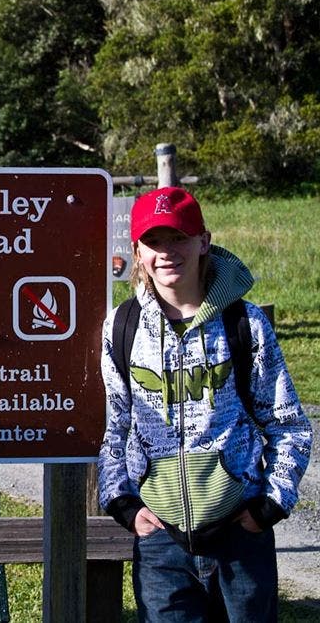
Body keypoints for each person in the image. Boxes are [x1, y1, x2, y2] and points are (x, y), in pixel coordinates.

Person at [97, 186, 312, 622]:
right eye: (153, 242)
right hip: (161, 543)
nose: (167, 252)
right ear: (137, 252)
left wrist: (269, 504)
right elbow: (114, 426)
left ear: (204, 241)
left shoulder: (243, 323)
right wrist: (122, 502)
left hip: (241, 536)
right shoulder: (121, 327)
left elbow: (289, 425)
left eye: (178, 237)